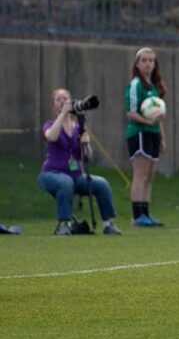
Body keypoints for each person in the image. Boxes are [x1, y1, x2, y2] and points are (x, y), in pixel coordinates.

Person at [37, 88, 121, 235]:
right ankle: (64, 223)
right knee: (65, 182)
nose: (63, 101)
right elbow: (51, 137)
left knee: (101, 183)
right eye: (59, 99)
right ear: (53, 105)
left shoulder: (78, 128)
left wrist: (86, 143)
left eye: (65, 98)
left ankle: (109, 224)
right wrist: (63, 114)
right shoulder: (49, 124)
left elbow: (88, 157)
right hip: (51, 174)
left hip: (76, 176)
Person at [125, 47, 166, 227]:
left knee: (149, 176)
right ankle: (137, 215)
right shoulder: (136, 85)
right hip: (139, 132)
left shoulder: (155, 86)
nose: (148, 63)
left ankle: (146, 213)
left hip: (153, 133)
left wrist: (162, 137)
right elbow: (130, 112)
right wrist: (147, 122)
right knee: (140, 174)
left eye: (151, 60)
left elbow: (158, 116)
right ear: (137, 63)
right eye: (144, 60)